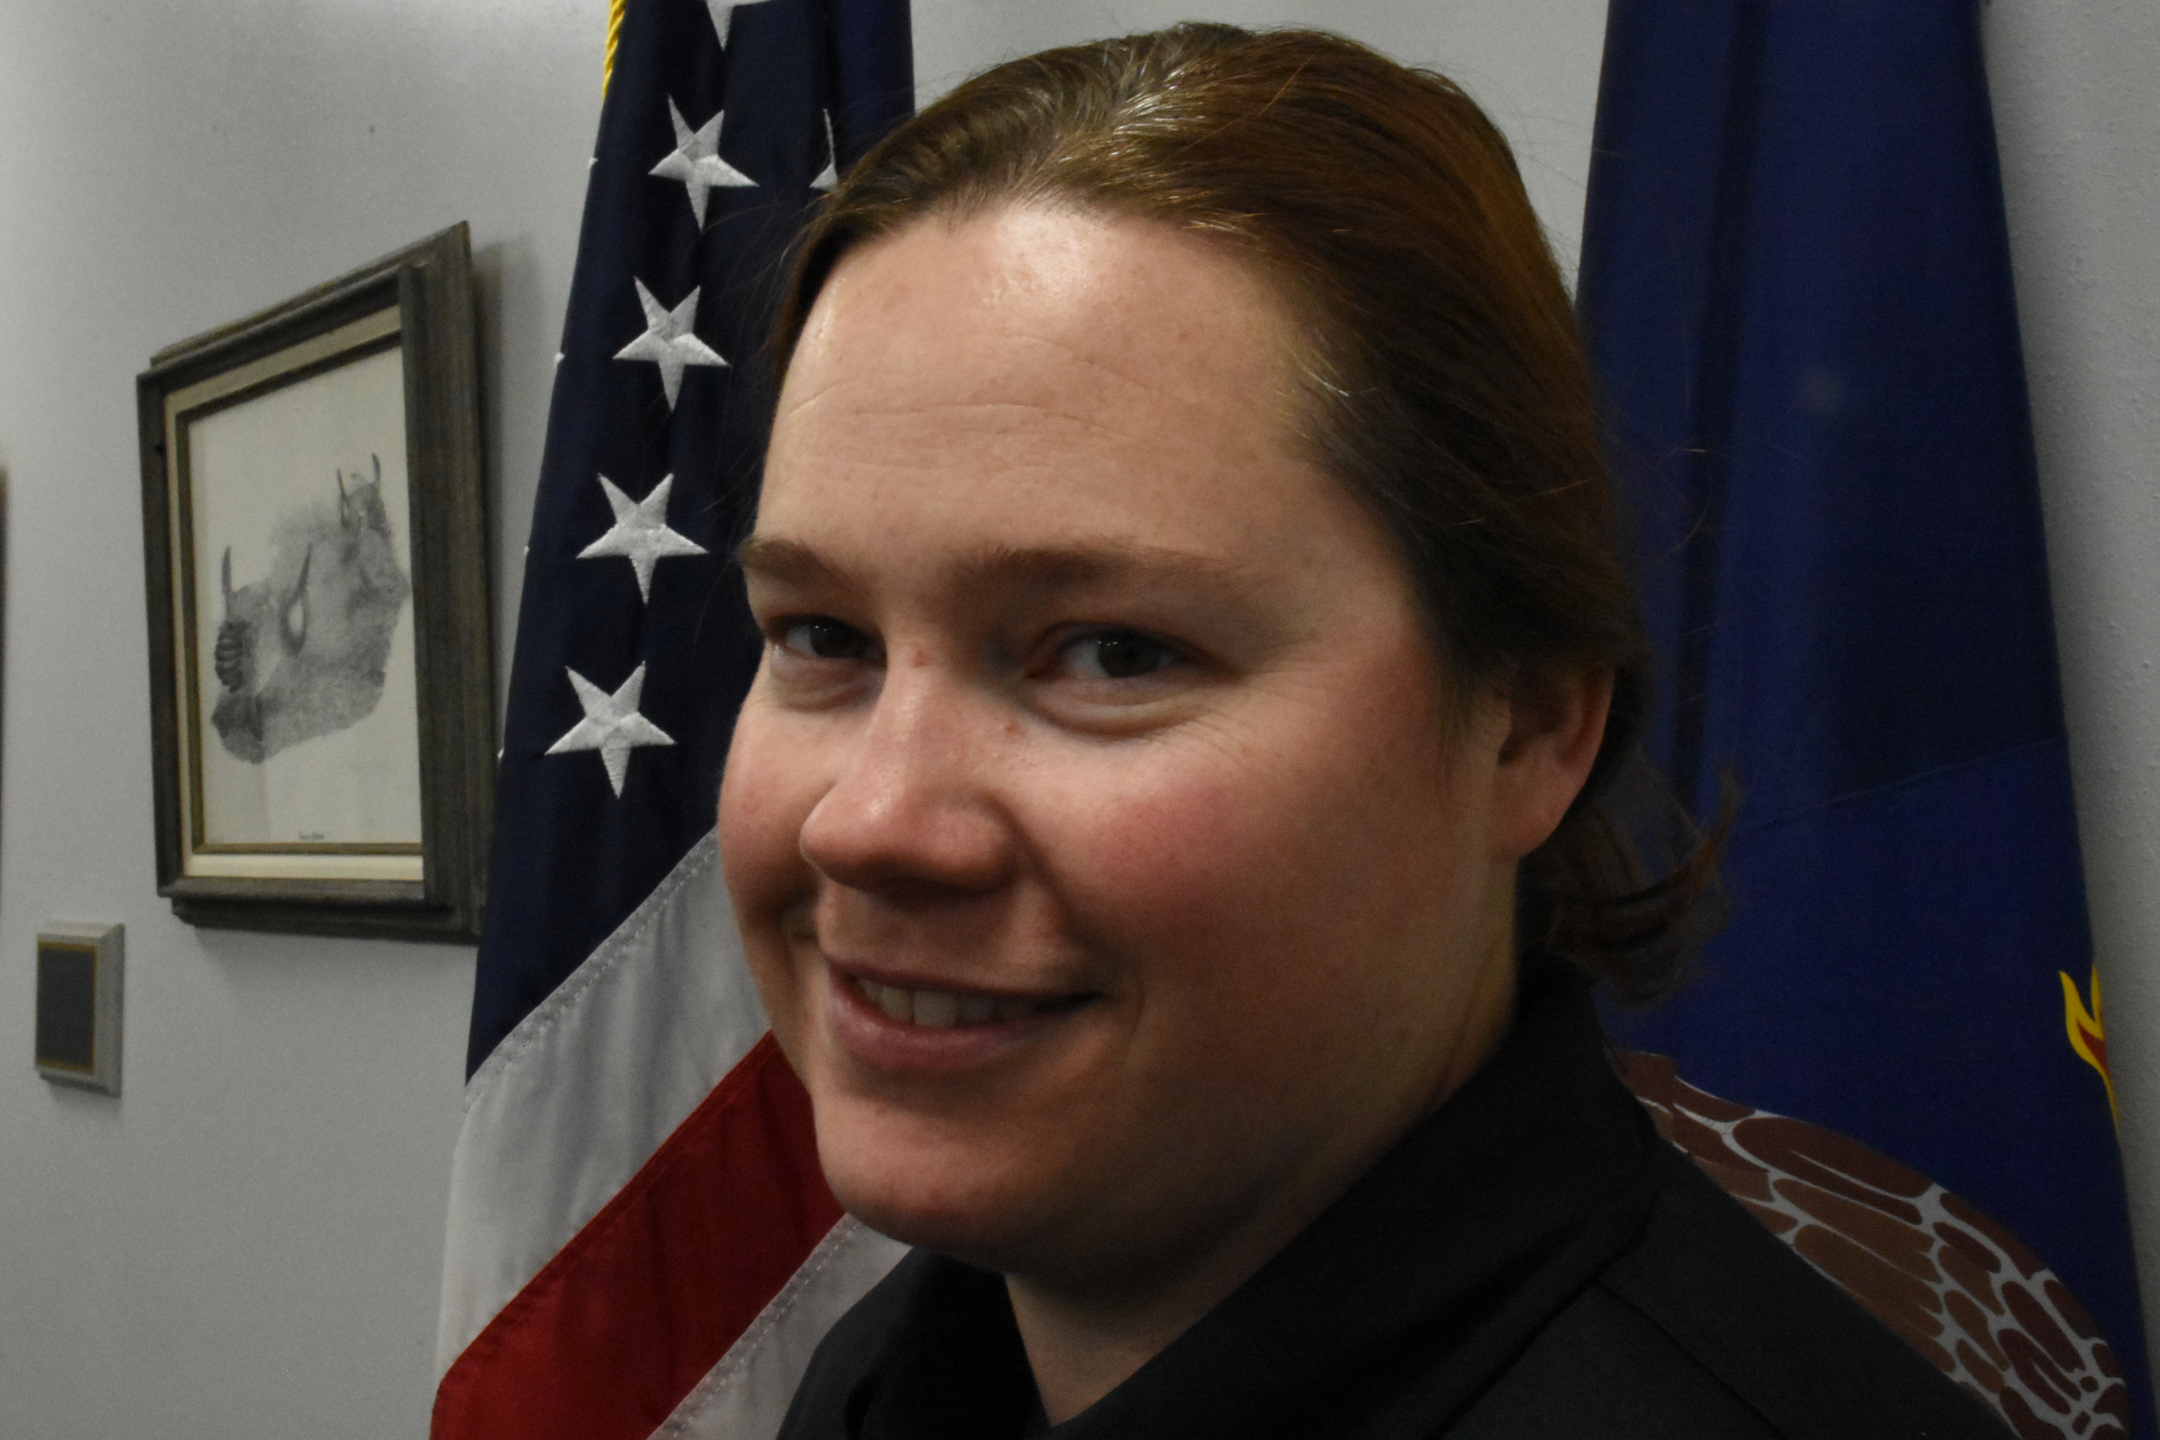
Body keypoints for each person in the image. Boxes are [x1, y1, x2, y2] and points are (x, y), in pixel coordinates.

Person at [718, 23, 2011, 1439]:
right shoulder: (902, 1376)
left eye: (1115, 652)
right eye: (821, 638)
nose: (869, 821)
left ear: (1524, 729)